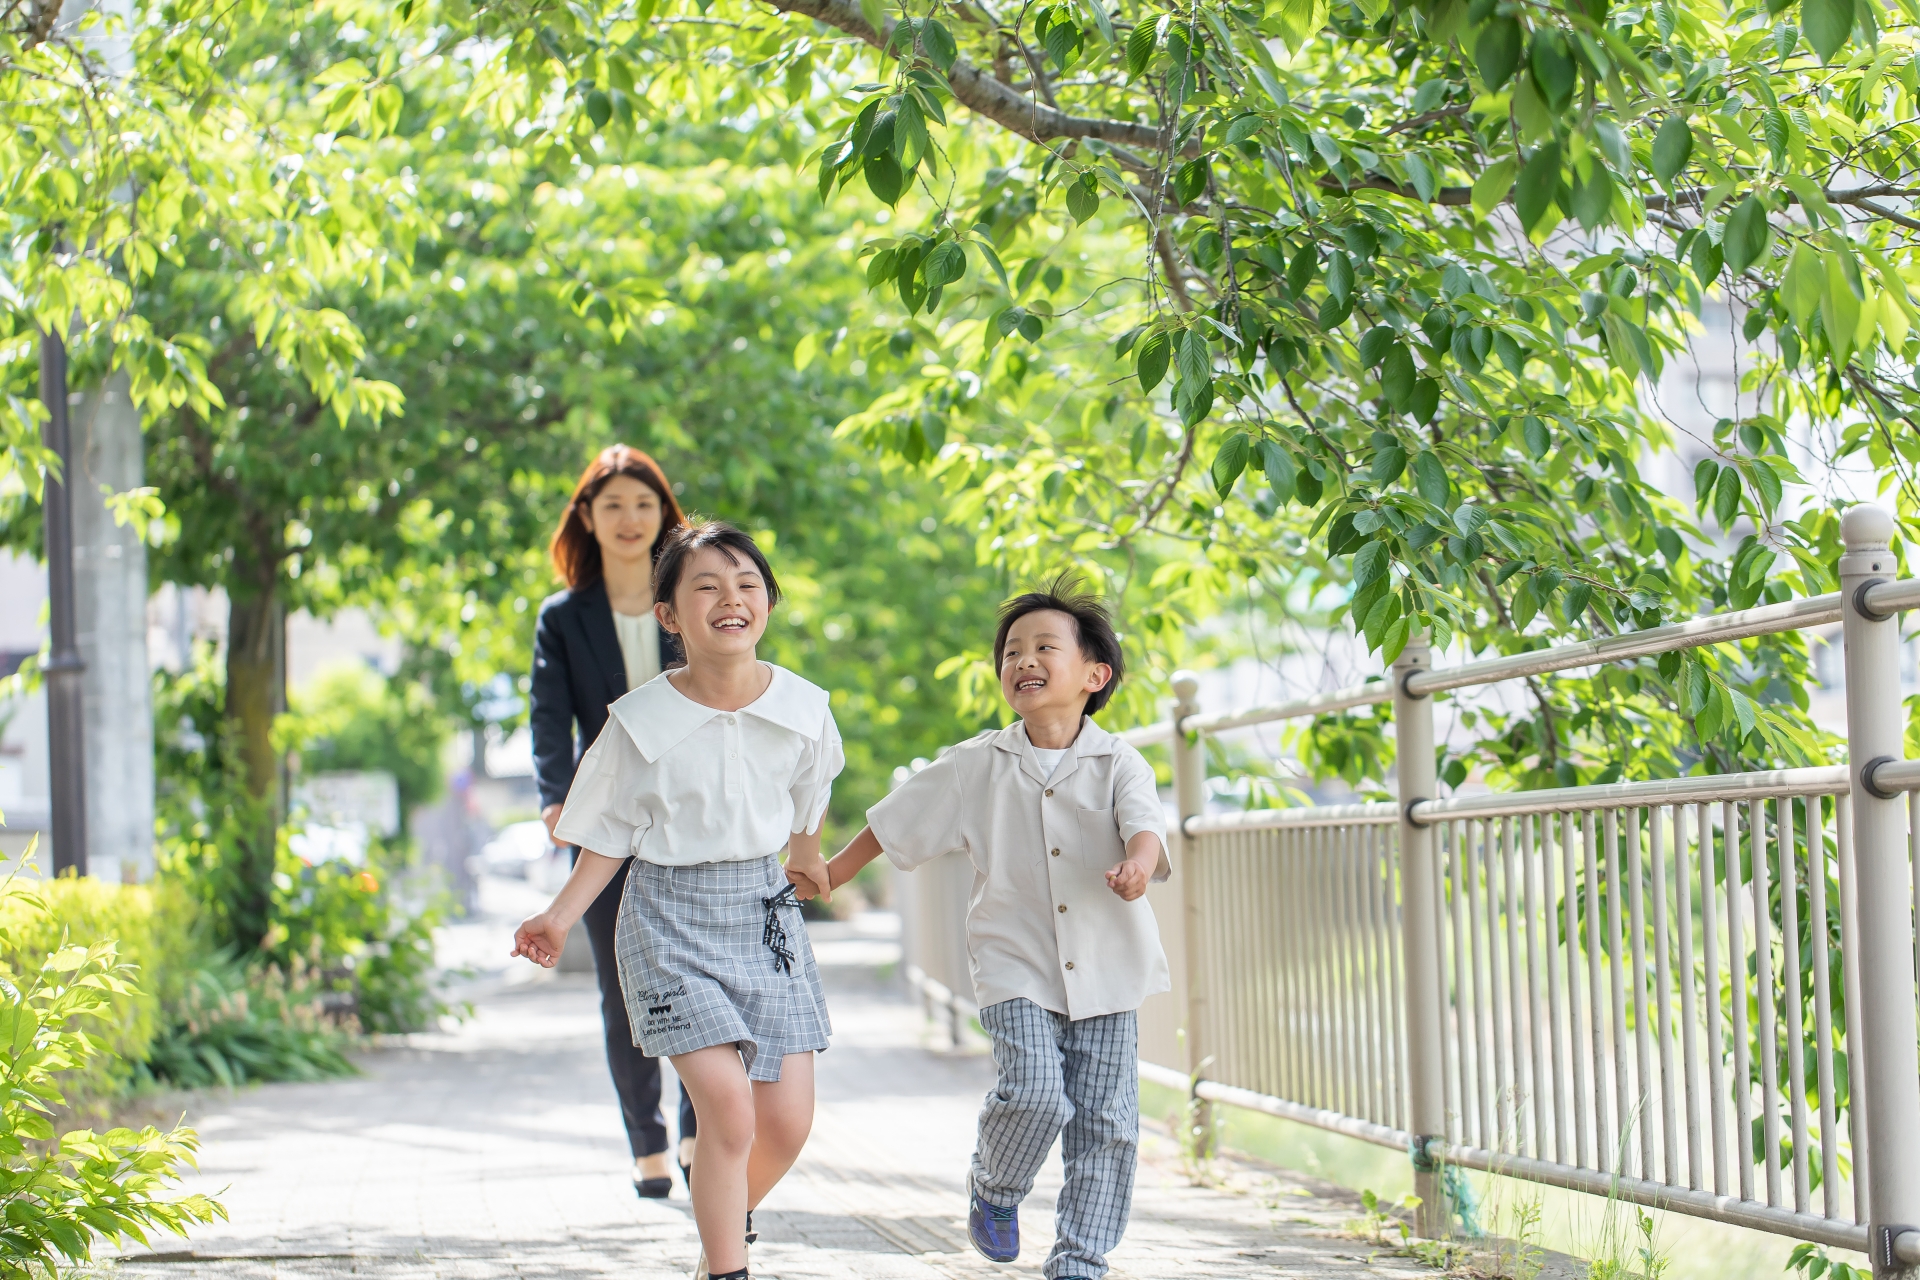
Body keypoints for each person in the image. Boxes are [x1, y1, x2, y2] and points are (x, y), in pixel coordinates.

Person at [810, 576, 1168, 1280]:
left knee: (1107, 1123)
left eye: (1044, 647)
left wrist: (1137, 863)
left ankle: (1080, 1260)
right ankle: (996, 1188)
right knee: (1034, 1090)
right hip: (1014, 961)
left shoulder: (1120, 760)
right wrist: (834, 872)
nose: (1023, 660)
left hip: (1108, 963)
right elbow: (896, 821)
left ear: (1095, 674)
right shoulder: (976, 763)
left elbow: (1146, 826)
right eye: (1011, 651)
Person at [514, 520, 840, 1280]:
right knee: (727, 1107)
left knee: (786, 1124)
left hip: (765, 917)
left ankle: (717, 1236)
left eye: (747, 585)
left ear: (768, 601)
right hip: (668, 920)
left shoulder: (804, 707)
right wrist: (558, 918)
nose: (732, 600)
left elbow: (809, 793)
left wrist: (806, 856)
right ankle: (729, 1269)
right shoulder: (639, 723)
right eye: (707, 587)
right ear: (669, 615)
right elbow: (609, 836)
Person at [529, 444, 698, 1197]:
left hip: (697, 820)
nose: (629, 520)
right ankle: (649, 1143)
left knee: (701, 977)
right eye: (612, 506)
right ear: (587, 520)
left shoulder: (697, 599)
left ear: (664, 515)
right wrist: (555, 798)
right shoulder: (564, 618)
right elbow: (548, 718)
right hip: (604, 823)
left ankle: (700, 1133)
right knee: (623, 989)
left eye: (643, 504)